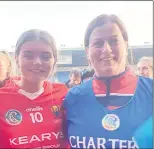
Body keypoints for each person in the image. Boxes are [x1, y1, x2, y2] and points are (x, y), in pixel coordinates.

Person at [64, 14, 152, 148]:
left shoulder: (150, 91)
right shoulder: (73, 97)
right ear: (87, 51)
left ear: (126, 46)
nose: (107, 49)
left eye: (114, 41)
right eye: (98, 43)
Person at [0, 29, 69, 148]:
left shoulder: (63, 93)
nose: (37, 62)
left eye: (46, 56)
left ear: (54, 61)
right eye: (28, 55)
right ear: (16, 59)